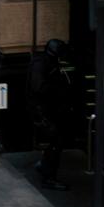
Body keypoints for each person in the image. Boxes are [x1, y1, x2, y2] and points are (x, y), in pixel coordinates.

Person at [28, 39, 73, 191]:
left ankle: (45, 167)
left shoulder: (48, 63)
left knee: (56, 142)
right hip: (45, 112)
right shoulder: (42, 65)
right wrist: (58, 90)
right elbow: (39, 88)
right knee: (55, 144)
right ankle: (48, 177)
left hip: (51, 111)